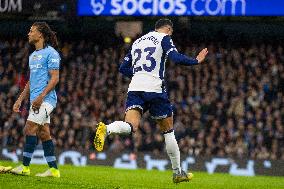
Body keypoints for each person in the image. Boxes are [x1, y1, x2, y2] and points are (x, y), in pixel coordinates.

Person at [94, 18, 208, 183]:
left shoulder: (137, 41)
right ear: (168, 29)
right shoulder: (164, 38)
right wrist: (196, 60)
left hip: (135, 88)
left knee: (131, 126)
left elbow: (123, 68)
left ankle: (107, 129)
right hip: (155, 89)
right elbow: (175, 57)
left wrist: (140, 76)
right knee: (168, 131)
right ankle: (177, 173)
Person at [10, 22, 61, 177]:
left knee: (29, 128)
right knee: (44, 133)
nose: (28, 34)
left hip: (46, 100)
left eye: (31, 31)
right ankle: (54, 170)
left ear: (40, 34)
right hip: (36, 100)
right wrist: (20, 99)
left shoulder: (51, 53)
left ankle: (25, 167)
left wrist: (41, 96)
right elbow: (31, 81)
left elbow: (55, 78)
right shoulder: (33, 56)